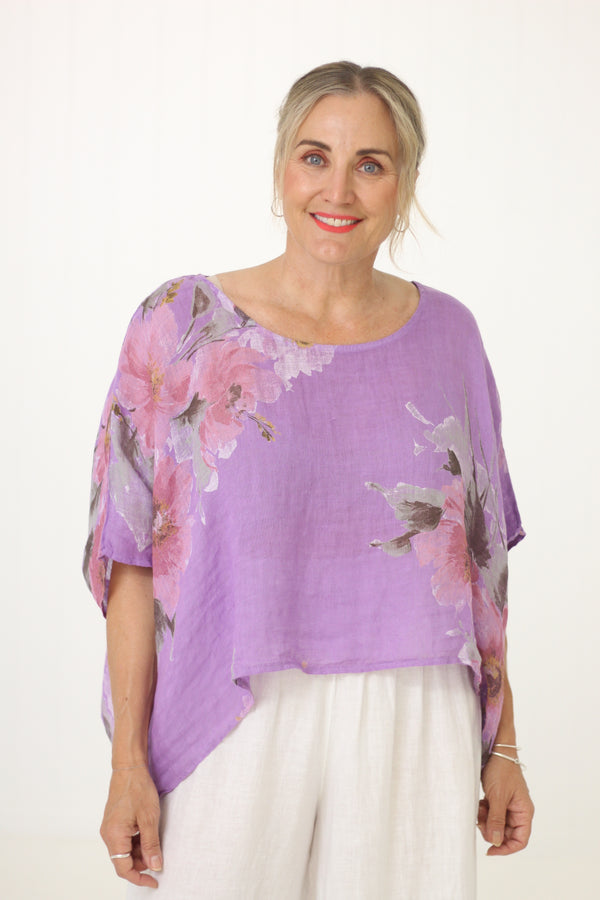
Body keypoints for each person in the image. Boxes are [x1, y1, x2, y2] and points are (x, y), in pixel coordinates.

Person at [84, 60, 534, 899]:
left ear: (404, 184)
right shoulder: (180, 325)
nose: (339, 190)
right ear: (281, 167)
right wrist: (127, 765)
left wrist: (504, 747)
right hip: (238, 709)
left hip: (416, 713)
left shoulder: (451, 337)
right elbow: (132, 560)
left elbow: (484, 575)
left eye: (372, 164)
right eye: (315, 156)